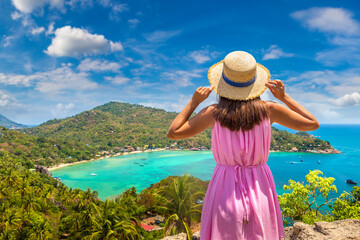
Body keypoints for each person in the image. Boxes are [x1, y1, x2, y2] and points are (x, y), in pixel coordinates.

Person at [167, 51, 319, 240]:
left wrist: (194, 101)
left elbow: (173, 133)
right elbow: (312, 123)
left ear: (223, 85)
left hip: (224, 186)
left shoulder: (214, 113)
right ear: (255, 84)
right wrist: (284, 97)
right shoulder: (269, 110)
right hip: (259, 184)